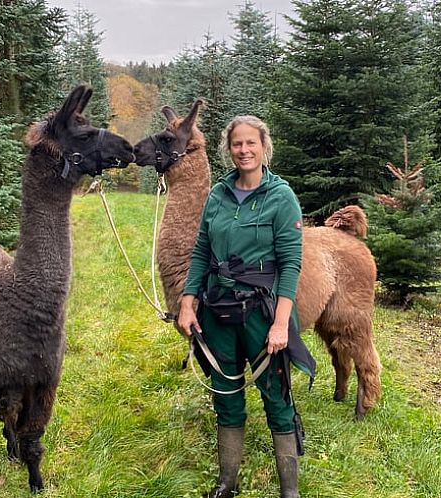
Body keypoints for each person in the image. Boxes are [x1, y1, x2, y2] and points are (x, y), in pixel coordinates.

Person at [178, 115, 315, 498]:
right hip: (218, 309)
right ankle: (227, 483)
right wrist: (188, 303)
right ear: (229, 148)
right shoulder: (218, 194)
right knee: (226, 394)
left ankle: (290, 491)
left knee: (276, 394)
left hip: (262, 312)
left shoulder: (281, 196)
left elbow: (290, 263)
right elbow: (202, 251)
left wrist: (281, 325)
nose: (244, 150)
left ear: (263, 146)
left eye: (250, 143)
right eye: (237, 144)